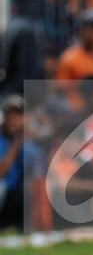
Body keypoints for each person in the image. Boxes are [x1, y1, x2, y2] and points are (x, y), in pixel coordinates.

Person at [0, 96, 35, 230]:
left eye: (19, 116)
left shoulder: (29, 139)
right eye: (12, 116)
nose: (15, 121)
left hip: (19, 192)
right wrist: (16, 144)